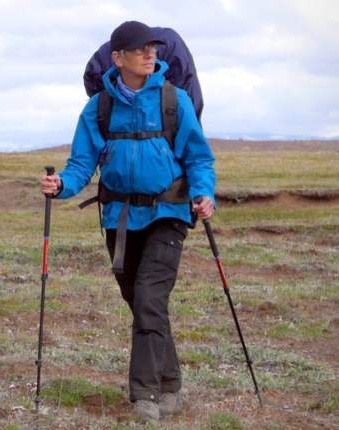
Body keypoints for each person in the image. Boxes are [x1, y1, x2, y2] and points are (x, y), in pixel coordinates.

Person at [39, 20, 216, 422]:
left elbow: (199, 159)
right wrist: (60, 184)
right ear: (118, 58)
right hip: (119, 218)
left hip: (168, 213)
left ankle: (145, 396)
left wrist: (204, 194)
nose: (150, 54)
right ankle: (170, 383)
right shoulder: (99, 108)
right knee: (140, 302)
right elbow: (81, 164)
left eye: (152, 48)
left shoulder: (174, 101)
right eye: (140, 50)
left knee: (150, 298)